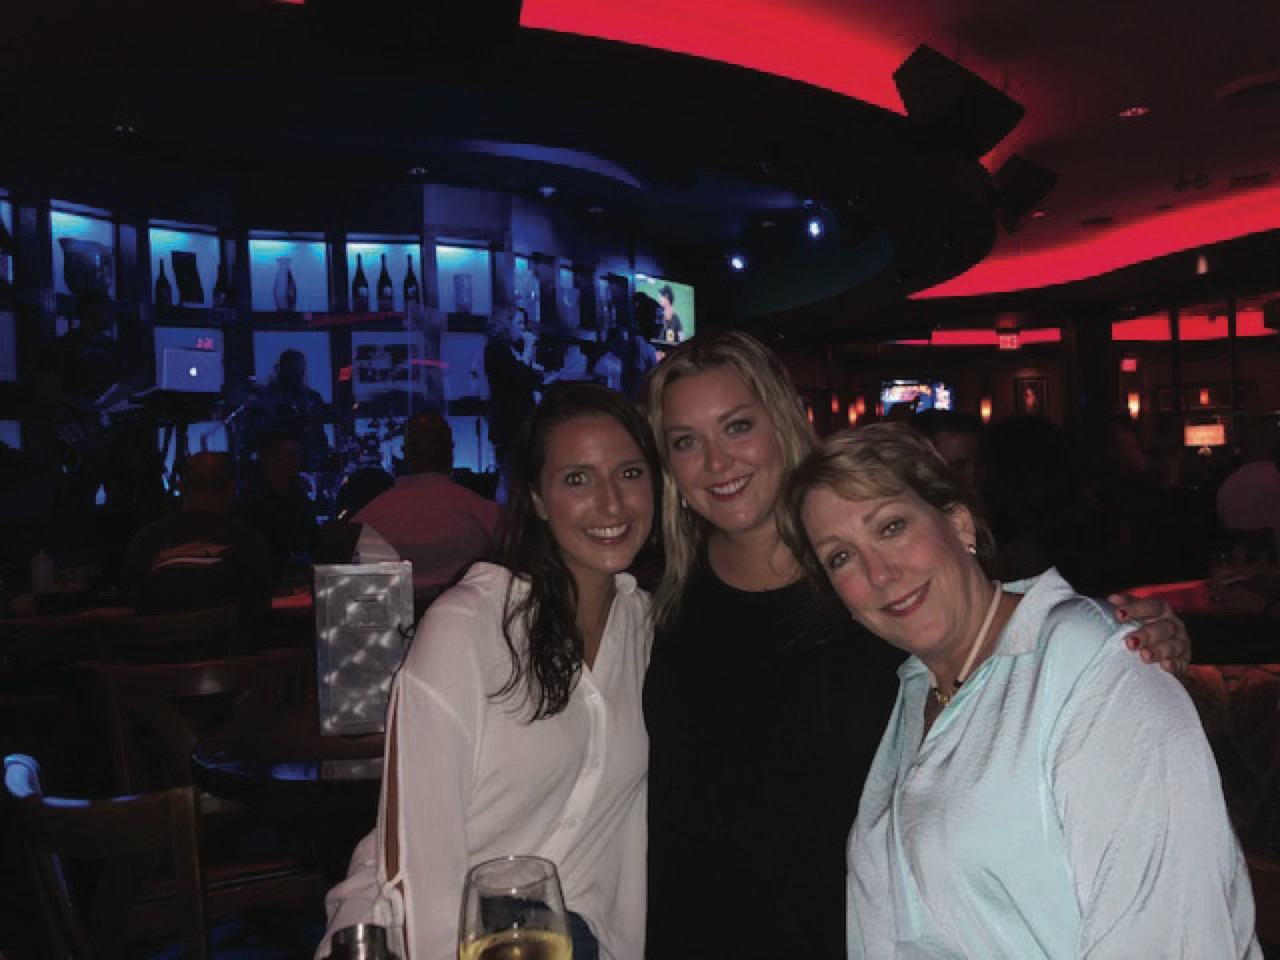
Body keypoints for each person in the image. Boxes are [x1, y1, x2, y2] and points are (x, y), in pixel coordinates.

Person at [640, 329, 1193, 959]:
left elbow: (1006, 645)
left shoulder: (878, 593)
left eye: (737, 426)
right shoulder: (660, 601)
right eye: (685, 441)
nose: (716, 461)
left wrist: (1119, 638)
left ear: (784, 421)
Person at [778, 422, 1258, 956]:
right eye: (841, 556)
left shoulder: (1091, 663)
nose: (879, 572)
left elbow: (1171, 931)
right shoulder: (914, 690)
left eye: (891, 527)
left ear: (958, 522)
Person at [316, 382, 661, 960]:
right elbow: (420, 867)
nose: (610, 503)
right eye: (577, 479)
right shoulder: (469, 629)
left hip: (572, 935)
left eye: (629, 473)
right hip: (433, 933)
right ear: (538, 499)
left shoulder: (645, 629)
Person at [353, 412, 502, 610]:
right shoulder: (488, 516)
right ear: (450, 451)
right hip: (468, 621)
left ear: (405, 453)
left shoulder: (366, 521)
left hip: (391, 625)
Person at [120, 451, 271, 622]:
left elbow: (130, 600)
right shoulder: (249, 541)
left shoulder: (146, 539)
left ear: (181, 487)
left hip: (158, 639)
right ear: (231, 489)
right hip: (227, 638)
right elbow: (258, 608)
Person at [238, 430, 318, 587]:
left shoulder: (299, 496)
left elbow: (311, 535)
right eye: (291, 457)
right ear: (270, 460)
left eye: (298, 456)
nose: (298, 461)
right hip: (269, 578)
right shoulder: (254, 501)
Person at [484, 304, 543, 495]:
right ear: (506, 324)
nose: (523, 329)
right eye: (519, 323)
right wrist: (528, 349)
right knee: (512, 477)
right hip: (509, 424)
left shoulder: (511, 349)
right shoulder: (497, 350)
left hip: (520, 423)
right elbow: (520, 377)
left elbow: (529, 377)